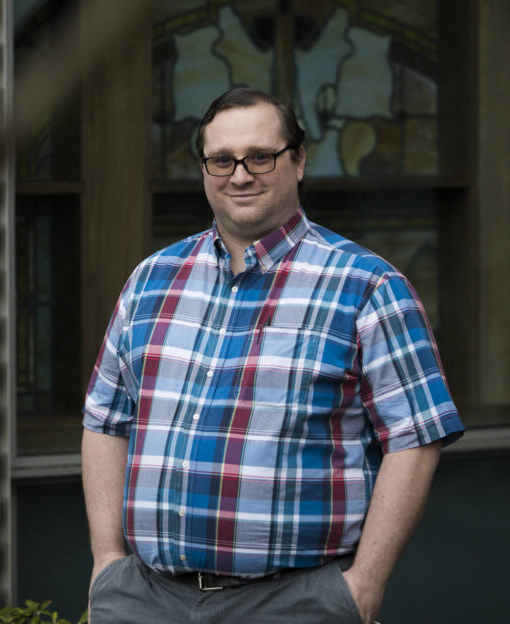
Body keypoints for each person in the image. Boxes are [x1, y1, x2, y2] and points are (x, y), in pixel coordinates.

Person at [82, 88, 464, 624]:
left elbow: (415, 438)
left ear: (299, 160)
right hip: (144, 599)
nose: (240, 175)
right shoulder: (151, 281)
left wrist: (364, 586)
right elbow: (105, 419)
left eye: (261, 156)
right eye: (222, 160)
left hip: (293, 604)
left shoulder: (368, 286)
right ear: (204, 168)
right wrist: (107, 563)